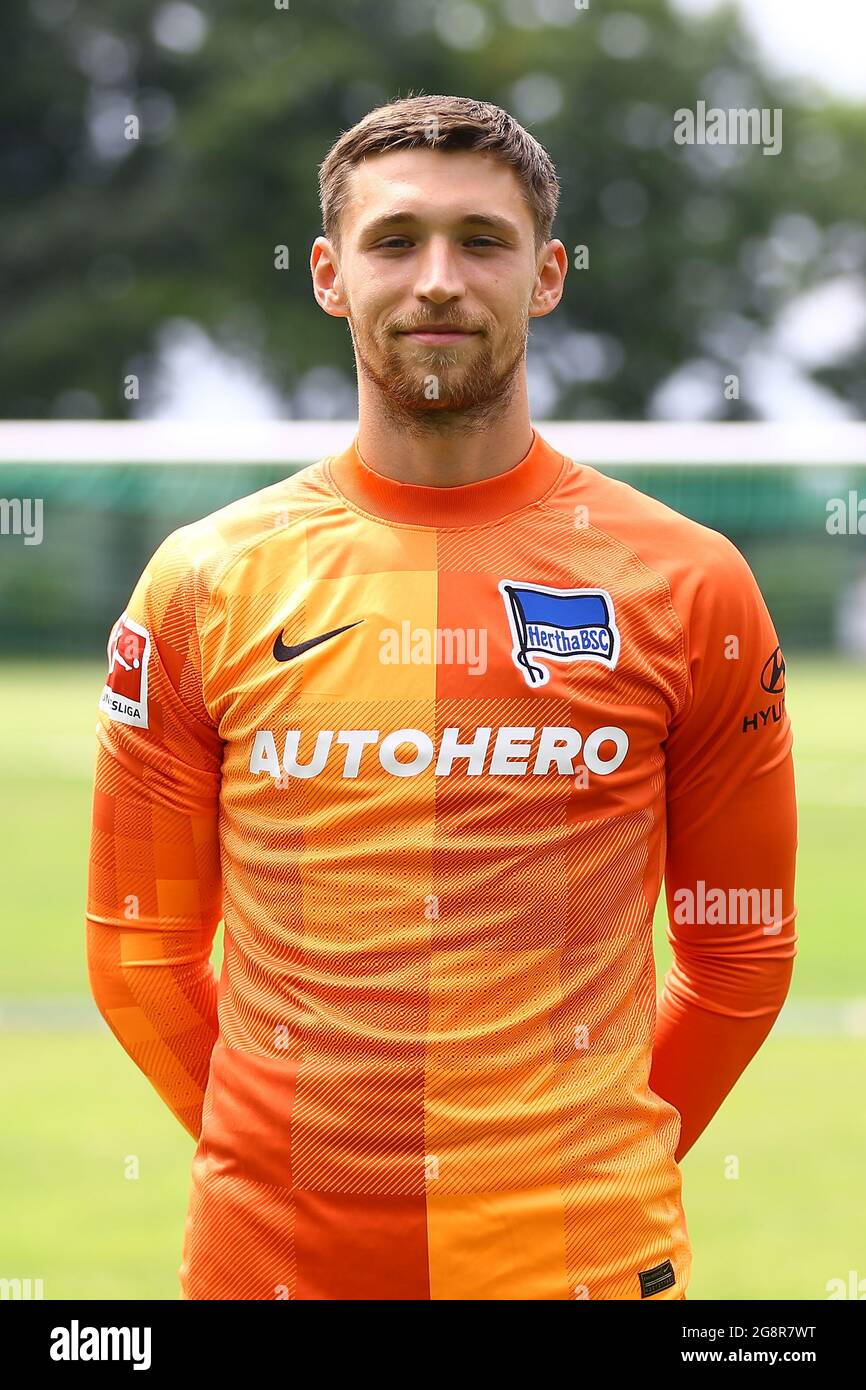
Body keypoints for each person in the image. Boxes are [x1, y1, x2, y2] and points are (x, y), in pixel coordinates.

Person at [86, 94, 798, 1301]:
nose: (436, 280)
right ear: (327, 274)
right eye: (393, 240)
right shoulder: (204, 581)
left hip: (579, 1268)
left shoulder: (688, 581)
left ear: (547, 275)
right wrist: (298, 1163)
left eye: (481, 241)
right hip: (271, 1268)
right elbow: (137, 951)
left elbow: (740, 954)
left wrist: (578, 1172)